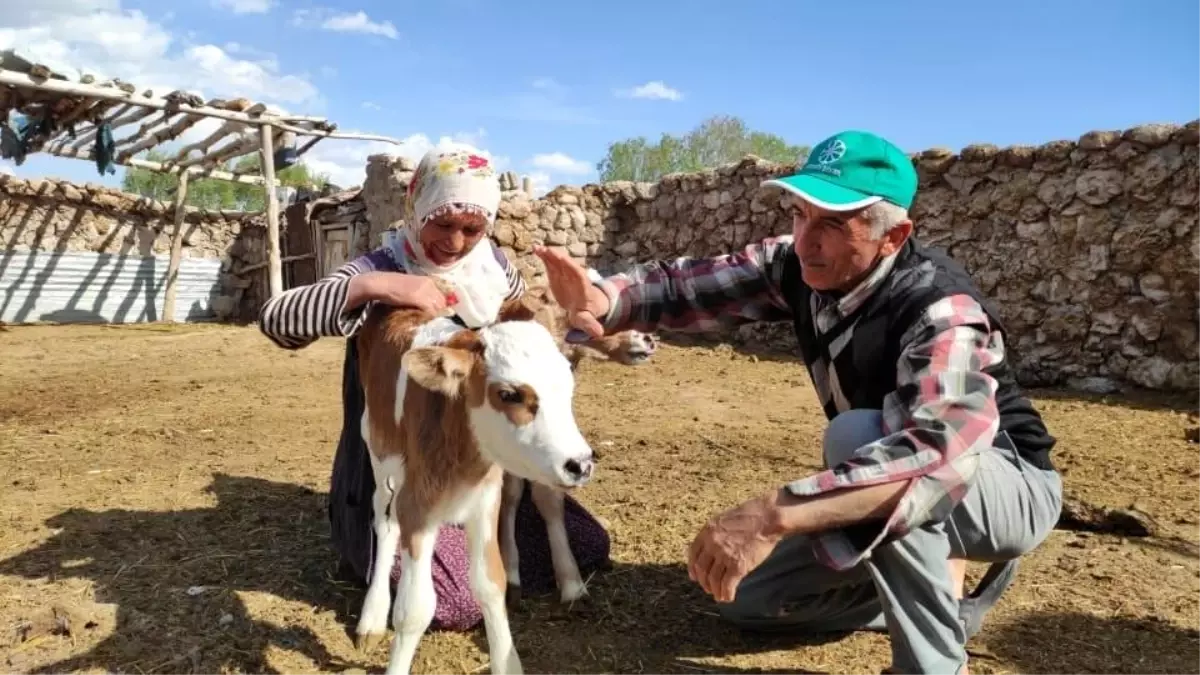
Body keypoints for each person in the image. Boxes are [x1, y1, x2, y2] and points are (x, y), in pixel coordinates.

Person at [534, 130, 1063, 674]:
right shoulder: (798, 266)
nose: (807, 240)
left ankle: (931, 664)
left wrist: (772, 514)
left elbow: (935, 456)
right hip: (905, 466)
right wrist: (604, 298)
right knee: (749, 600)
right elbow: (689, 286)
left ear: (893, 234)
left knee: (860, 438)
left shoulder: (940, 309)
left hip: (1004, 484)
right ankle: (939, 604)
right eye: (800, 214)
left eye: (833, 223)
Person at [258, 144, 611, 631]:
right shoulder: (380, 265)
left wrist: (568, 320)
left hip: (473, 456)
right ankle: (376, 546)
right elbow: (277, 321)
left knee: (589, 545)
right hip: (399, 460)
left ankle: (494, 544)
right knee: (455, 600)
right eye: (442, 224)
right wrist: (378, 288)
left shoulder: (493, 268)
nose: (456, 242)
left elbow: (519, 329)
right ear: (416, 207)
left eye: (472, 228)